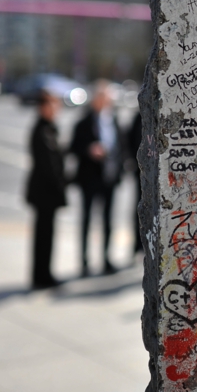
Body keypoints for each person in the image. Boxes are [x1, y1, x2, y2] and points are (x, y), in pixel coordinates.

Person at [70, 80, 123, 276]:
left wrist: (120, 167)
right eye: (100, 97)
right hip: (89, 178)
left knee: (108, 220)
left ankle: (106, 259)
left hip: (109, 178)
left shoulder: (114, 120)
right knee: (86, 220)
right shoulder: (83, 122)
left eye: (107, 97)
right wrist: (89, 150)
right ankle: (84, 262)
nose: (104, 101)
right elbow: (73, 147)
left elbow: (121, 147)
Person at [25, 90, 66, 290]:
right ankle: (41, 276)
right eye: (52, 105)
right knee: (43, 235)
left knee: (47, 234)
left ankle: (44, 273)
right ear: (43, 108)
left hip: (47, 192)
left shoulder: (50, 128)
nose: (56, 109)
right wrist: (63, 183)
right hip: (44, 192)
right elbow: (49, 165)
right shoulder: (41, 130)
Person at [127, 111, 143, 256]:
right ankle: (138, 245)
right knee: (140, 208)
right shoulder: (139, 116)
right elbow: (130, 141)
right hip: (141, 173)